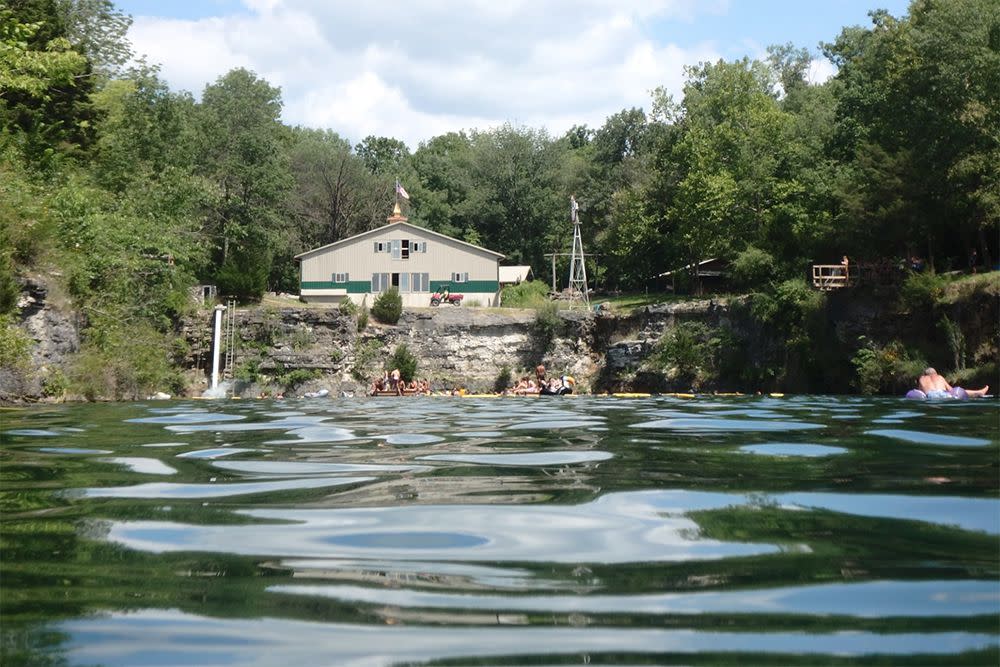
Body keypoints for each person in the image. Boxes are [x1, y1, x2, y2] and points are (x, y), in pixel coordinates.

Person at [917, 368, 988, 399]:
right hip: (943, 394)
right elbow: (951, 390)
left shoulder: (922, 378)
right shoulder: (940, 377)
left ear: (925, 374)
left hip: (931, 396)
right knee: (958, 392)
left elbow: (920, 393)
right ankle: (979, 392)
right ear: (935, 373)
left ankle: (980, 393)